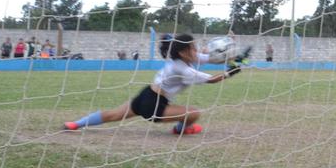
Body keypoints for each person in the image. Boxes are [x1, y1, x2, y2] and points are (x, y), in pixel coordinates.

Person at [64, 33, 242, 134]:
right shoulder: (181, 68)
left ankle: (76, 124)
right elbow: (211, 80)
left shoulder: (185, 59)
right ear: (183, 52)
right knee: (194, 113)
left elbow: (212, 58)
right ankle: (180, 130)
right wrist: (230, 72)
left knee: (113, 115)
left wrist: (233, 55)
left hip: (146, 95)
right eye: (193, 48)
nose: (198, 51)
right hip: (154, 104)